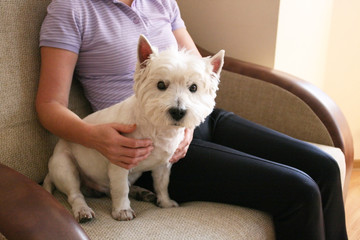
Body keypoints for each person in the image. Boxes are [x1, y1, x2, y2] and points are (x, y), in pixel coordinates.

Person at [36, 0, 348, 239]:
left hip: (199, 120)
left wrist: (192, 121)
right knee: (300, 191)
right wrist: (96, 138)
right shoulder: (72, 8)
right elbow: (49, 104)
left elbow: (199, 67)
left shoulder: (161, 1)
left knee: (324, 167)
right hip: (151, 147)